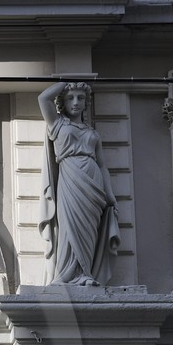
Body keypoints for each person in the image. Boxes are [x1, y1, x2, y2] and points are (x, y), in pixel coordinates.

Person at [37, 80, 120, 287]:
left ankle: (85, 274)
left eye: (81, 98)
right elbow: (43, 98)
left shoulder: (93, 133)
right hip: (70, 177)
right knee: (69, 226)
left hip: (94, 182)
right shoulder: (56, 124)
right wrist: (67, 79)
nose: (76, 102)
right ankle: (66, 274)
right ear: (62, 102)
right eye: (70, 98)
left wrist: (110, 195)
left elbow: (102, 166)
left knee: (89, 229)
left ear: (86, 102)